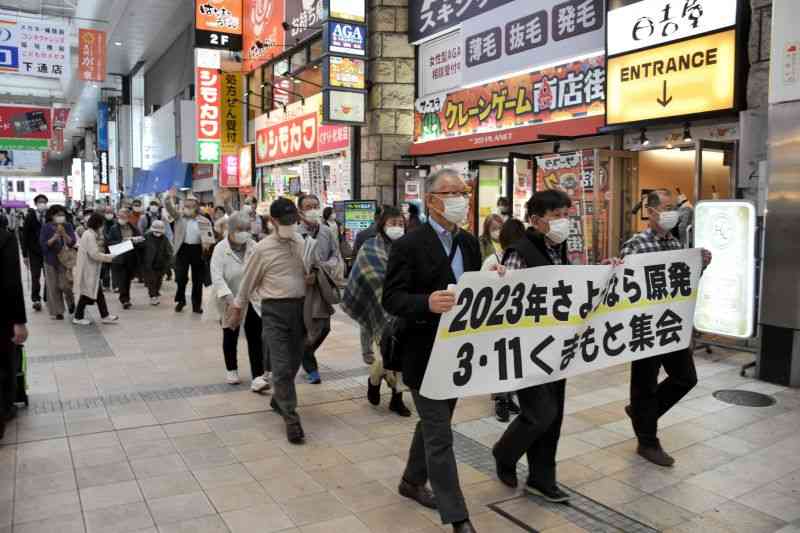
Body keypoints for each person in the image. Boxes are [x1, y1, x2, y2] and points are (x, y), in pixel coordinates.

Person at [383, 168, 482, 533]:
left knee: (433, 424)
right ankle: (458, 516)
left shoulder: (469, 242)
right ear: (432, 200)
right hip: (422, 352)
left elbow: (475, 287)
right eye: (451, 192)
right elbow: (391, 298)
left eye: (463, 192)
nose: (460, 199)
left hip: (458, 351)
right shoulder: (409, 245)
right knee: (441, 434)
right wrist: (427, 302)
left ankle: (411, 481)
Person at [491, 190, 574, 504]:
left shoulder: (561, 248)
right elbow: (505, 297)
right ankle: (505, 452)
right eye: (557, 216)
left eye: (567, 215)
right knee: (541, 412)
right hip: (527, 348)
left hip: (559, 346)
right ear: (537, 219)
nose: (564, 222)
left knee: (555, 415)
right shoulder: (520, 251)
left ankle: (542, 478)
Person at [620, 188, 711, 467]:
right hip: (645, 325)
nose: (674, 211)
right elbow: (622, 285)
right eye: (669, 206)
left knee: (686, 377)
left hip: (670, 324)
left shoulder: (675, 244)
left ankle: (640, 413)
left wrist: (700, 265)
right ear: (653, 211)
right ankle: (647, 441)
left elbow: (680, 283)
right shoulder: (636, 244)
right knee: (644, 384)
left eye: (675, 206)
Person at [231, 198, 308, 444]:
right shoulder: (262, 249)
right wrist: (237, 308)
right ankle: (291, 418)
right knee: (282, 366)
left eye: (293, 219)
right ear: (272, 221)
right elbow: (247, 282)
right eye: (285, 221)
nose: (290, 224)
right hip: (274, 311)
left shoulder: (301, 241)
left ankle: (279, 399)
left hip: (300, 310)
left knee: (294, 362)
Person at [342, 205, 411, 417]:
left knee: (401, 356)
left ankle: (396, 399)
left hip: (406, 310)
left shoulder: (411, 247)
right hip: (379, 309)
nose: (397, 227)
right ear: (382, 225)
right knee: (385, 355)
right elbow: (365, 275)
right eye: (393, 223)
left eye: (401, 223)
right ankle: (374, 381)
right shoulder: (370, 246)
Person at [211, 212, 269, 392]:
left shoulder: (254, 246)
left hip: (251, 297)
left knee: (255, 336)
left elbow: (262, 270)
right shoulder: (220, 248)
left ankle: (258, 376)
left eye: (247, 229)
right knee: (230, 332)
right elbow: (217, 276)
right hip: (228, 296)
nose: (244, 233)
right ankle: (231, 369)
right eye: (240, 229)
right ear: (231, 230)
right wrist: (231, 300)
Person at [481, 218, 526, 422]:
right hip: (498, 320)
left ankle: (509, 396)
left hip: (520, 320)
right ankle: (501, 399)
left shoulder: (526, 258)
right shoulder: (493, 260)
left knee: (513, 359)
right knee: (501, 359)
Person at [296, 193, 341, 385]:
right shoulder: (295, 234)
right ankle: (311, 366)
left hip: (322, 285)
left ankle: (305, 353)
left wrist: (324, 268)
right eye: (308, 206)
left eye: (315, 205)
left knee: (324, 327)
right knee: (306, 327)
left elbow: (335, 255)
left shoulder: (327, 231)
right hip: (302, 289)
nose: (313, 210)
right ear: (300, 211)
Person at [165, 188, 214, 313]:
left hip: (198, 250)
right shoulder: (179, 218)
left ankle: (196, 305)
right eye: (186, 206)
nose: (188, 208)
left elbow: (210, 236)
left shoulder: (204, 220)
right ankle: (181, 300)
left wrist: (207, 244)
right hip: (183, 249)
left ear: (197, 207)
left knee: (198, 280)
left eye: (191, 206)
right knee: (181, 277)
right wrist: (168, 197)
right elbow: (169, 208)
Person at [0, 224, 27, 438]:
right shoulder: (5, 237)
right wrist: (19, 321)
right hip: (3, 316)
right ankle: (5, 409)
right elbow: (11, 282)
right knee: (3, 366)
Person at [73, 213, 119, 326]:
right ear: (98, 224)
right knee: (87, 293)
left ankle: (105, 315)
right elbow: (94, 254)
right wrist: (109, 257)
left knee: (97, 293)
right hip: (88, 269)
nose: (102, 227)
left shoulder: (90, 234)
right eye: (102, 224)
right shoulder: (89, 235)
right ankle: (78, 317)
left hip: (90, 269)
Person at [39, 205, 77, 320]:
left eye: (62, 215)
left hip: (65, 260)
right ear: (52, 216)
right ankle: (58, 311)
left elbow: (72, 242)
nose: (61, 217)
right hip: (50, 260)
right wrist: (55, 236)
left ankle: (71, 301)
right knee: (53, 286)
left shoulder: (68, 226)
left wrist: (64, 234)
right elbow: (44, 245)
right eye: (58, 215)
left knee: (66, 285)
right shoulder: (46, 227)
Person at [106, 208, 142, 309]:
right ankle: (124, 299)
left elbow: (140, 238)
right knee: (122, 279)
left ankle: (127, 297)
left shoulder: (133, 227)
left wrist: (137, 240)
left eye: (124, 217)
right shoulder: (114, 228)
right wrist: (122, 241)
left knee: (127, 279)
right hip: (120, 257)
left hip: (131, 256)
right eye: (120, 216)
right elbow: (109, 243)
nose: (122, 218)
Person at [21, 194, 49, 311]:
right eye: (40, 202)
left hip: (48, 251)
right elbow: (25, 236)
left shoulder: (49, 216)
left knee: (49, 276)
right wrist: (25, 254)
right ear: (36, 204)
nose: (42, 204)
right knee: (35, 276)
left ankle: (48, 297)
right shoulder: (30, 217)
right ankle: (36, 299)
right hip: (34, 252)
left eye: (44, 202)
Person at [141, 220, 173, 305]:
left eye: (159, 231)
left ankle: (156, 292)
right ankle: (153, 296)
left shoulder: (165, 238)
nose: (157, 233)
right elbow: (140, 247)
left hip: (161, 264)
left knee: (158, 281)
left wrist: (169, 262)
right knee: (151, 281)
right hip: (149, 264)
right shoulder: (146, 237)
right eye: (156, 231)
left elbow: (169, 250)